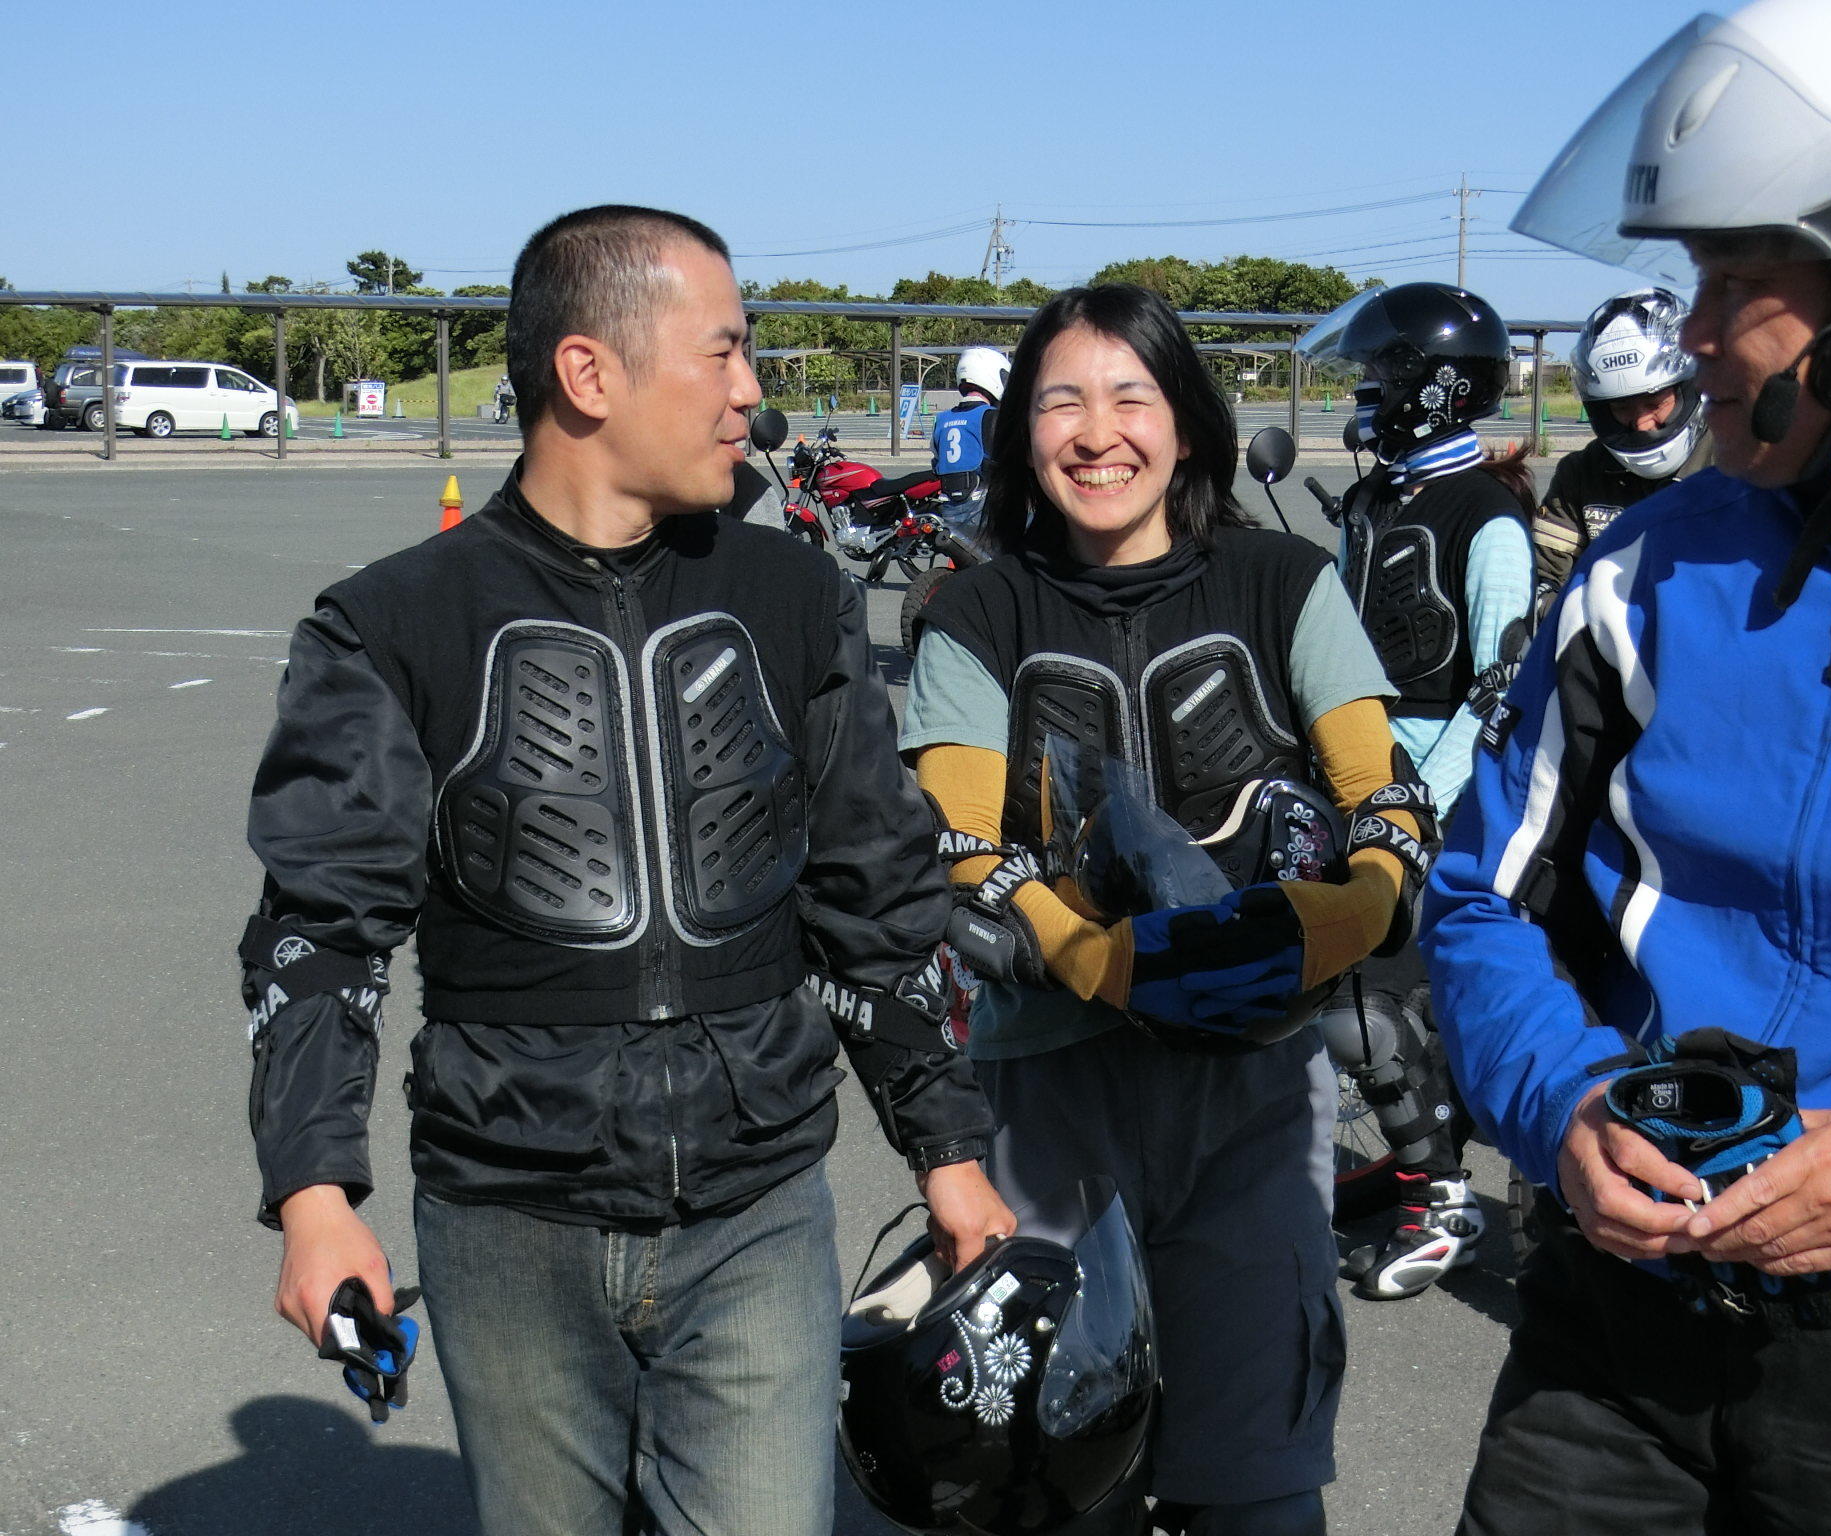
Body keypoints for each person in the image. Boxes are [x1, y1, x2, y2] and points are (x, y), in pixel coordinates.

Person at [239, 204, 1012, 1536]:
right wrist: (316, 1199)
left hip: (757, 1210)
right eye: (722, 353)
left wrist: (946, 1147)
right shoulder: (390, 626)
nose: (750, 393)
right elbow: (319, 933)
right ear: (588, 374)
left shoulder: (793, 598)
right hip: (506, 1223)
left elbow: (874, 898)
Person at [1429, 0, 1831, 1529]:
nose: (1688, 333)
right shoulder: (1645, 570)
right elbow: (1478, 897)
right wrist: (1567, 1101)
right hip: (1611, 1342)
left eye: (1742, 282)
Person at [902, 284, 1432, 1536]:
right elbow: (961, 845)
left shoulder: (1285, 582)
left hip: (1253, 1089)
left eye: (1130, 397)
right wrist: (1102, 960)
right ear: (1019, 433)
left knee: (1255, 1477)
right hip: (1049, 1090)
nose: (1097, 433)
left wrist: (1344, 916)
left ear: (1186, 424)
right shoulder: (973, 613)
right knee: (1049, 1468)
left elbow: (1384, 798)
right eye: (1061, 402)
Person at [1297, 281, 1536, 1299]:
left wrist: (1410, 801)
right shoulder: (1370, 501)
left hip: (1432, 794)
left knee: (1368, 1009)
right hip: (1353, 778)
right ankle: (1407, 1168)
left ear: (1427, 389)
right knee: (1330, 994)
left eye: (1374, 374)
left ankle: (1442, 1206)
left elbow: (1500, 682)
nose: (1360, 391)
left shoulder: (1485, 516)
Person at [1531, 287, 1709, 608]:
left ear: (1690, 387)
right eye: (1622, 407)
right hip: (1599, 649)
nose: (1641, 422)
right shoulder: (1581, 475)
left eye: (1655, 403)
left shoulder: (1735, 467)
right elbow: (1545, 578)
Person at [931, 344, 1008, 505]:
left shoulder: (942, 419)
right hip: (983, 506)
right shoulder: (991, 416)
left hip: (948, 507)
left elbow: (937, 460)